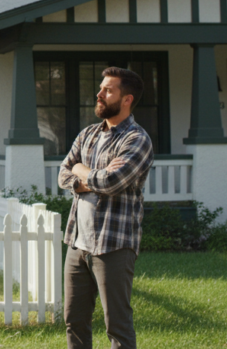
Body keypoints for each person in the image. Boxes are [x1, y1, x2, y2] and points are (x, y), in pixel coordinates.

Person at [57, 67, 154, 349]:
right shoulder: (88, 134)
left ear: (127, 99)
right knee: (74, 321)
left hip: (114, 244)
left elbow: (113, 181)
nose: (99, 94)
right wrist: (86, 176)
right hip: (78, 244)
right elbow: (63, 173)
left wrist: (81, 170)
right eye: (101, 88)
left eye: (108, 90)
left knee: (118, 328)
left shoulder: (137, 140)